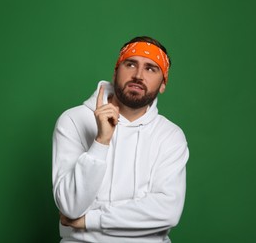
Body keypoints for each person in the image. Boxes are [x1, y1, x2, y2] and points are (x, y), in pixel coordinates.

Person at [52, 36, 189, 243]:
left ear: (163, 84)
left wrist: (90, 220)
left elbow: (167, 211)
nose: (138, 75)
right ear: (116, 72)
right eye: (130, 64)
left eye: (151, 68)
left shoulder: (170, 136)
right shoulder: (73, 120)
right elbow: (71, 206)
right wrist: (101, 141)